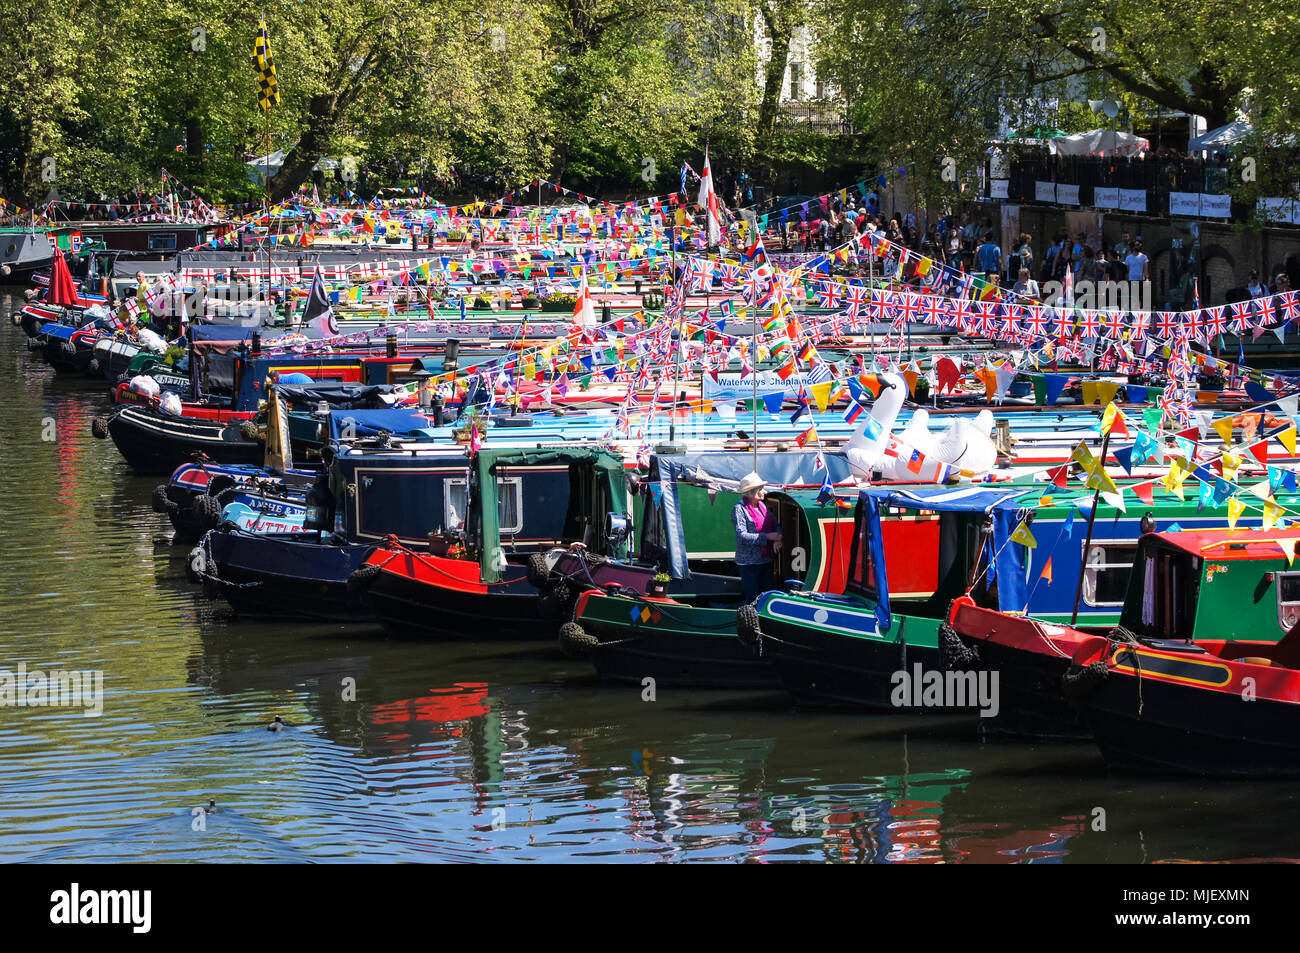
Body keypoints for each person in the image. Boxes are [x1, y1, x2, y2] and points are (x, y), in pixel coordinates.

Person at [734, 472, 782, 603]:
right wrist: (767, 537)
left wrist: (778, 538)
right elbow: (742, 536)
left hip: (766, 561)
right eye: (761, 489)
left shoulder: (763, 507)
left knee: (766, 598)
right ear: (752, 492)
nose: (765, 492)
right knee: (752, 599)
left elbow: (776, 525)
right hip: (749, 564)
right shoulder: (739, 509)